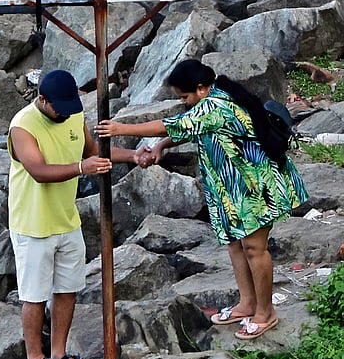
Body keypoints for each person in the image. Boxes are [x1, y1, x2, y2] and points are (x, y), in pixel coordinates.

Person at [96, 59, 309, 340]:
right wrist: (161, 146)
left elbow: (172, 124)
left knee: (255, 248)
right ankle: (247, 304)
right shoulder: (216, 96)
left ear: (201, 88)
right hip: (231, 187)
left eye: (185, 97)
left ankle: (265, 313)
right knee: (235, 244)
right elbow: (189, 128)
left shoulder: (216, 105)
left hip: (254, 186)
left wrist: (120, 129)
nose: (184, 102)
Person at [9, 68, 145, 359]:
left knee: (67, 287)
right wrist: (82, 168)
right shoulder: (22, 125)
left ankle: (58, 353)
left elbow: (95, 151)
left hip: (66, 219)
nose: (67, 113)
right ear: (42, 100)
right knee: (34, 293)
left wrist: (133, 155)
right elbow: (38, 170)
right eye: (61, 107)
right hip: (32, 222)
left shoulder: (71, 114)